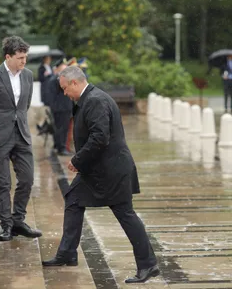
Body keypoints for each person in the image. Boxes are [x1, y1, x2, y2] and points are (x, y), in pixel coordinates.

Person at [42, 66, 159, 284]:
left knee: (126, 215)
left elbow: (99, 137)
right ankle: (67, 252)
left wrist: (77, 160)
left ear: (75, 83)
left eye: (65, 89)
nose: (65, 93)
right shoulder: (88, 98)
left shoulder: (95, 100)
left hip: (112, 171)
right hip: (98, 169)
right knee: (73, 199)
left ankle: (148, 264)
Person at [0, 36, 42, 242]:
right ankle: (6, 225)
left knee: (27, 178)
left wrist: (17, 121)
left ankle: (18, 220)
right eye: (20, 57)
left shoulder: (28, 76)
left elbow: (25, 105)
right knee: (3, 183)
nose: (24, 61)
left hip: (21, 133)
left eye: (25, 57)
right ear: (8, 57)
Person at [46, 58, 73, 156]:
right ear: (58, 69)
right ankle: (61, 148)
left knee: (61, 128)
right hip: (61, 108)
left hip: (62, 107)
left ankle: (59, 146)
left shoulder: (55, 78)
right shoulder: (56, 79)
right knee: (62, 128)